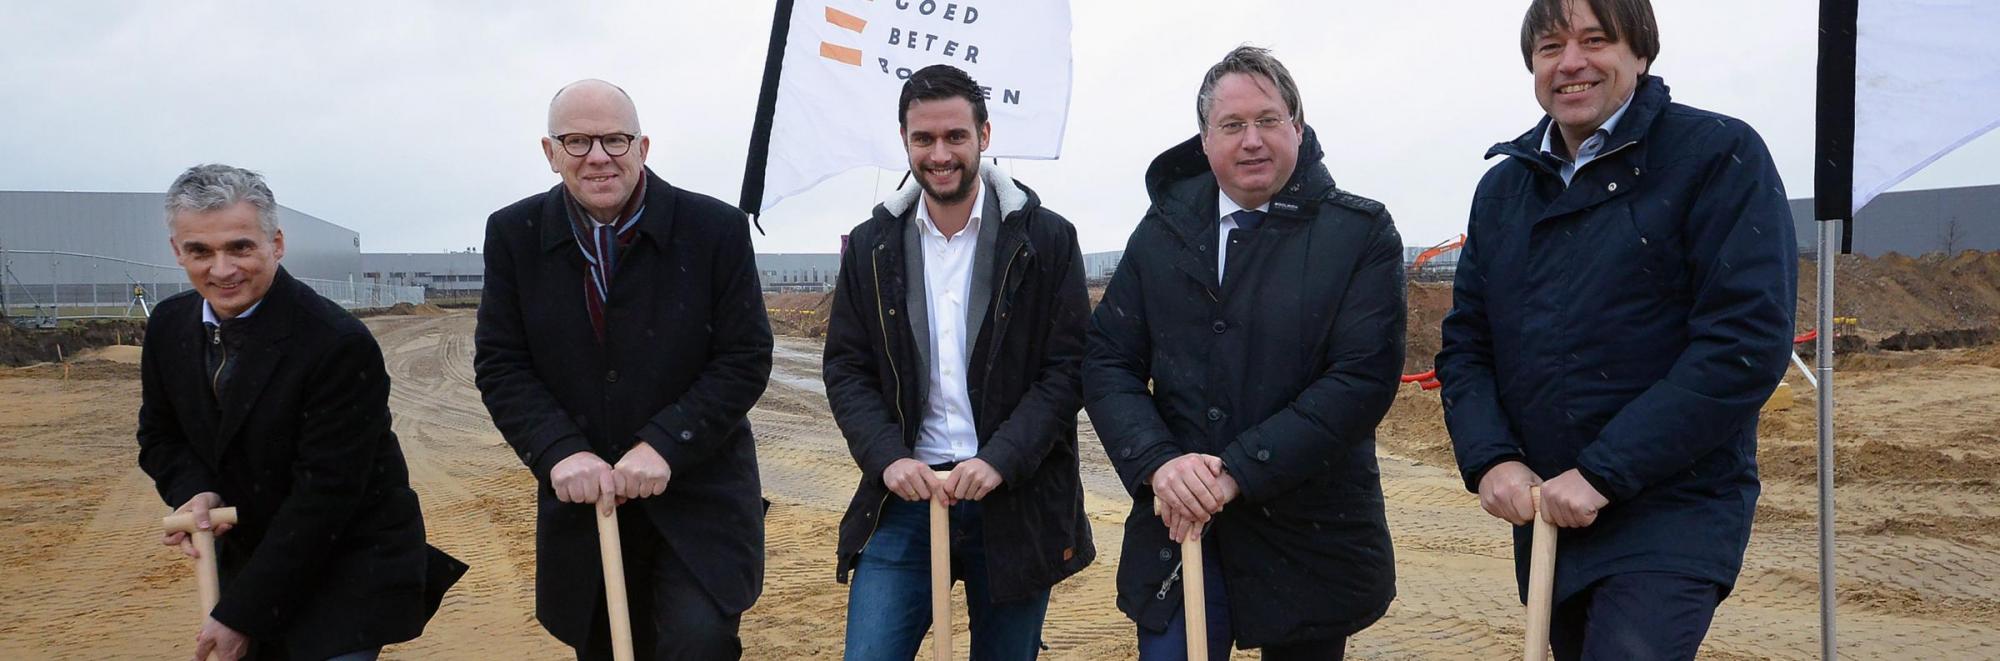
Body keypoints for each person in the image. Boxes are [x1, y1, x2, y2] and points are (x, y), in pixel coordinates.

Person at [1437, 1, 1798, 658]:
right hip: (1552, 512)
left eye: (1596, 40)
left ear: (1641, 53)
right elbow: (1467, 346)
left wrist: (1605, 471)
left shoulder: (1716, 156)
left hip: (1673, 504)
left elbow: (1743, 342)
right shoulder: (1504, 191)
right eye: (1550, 48)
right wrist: (1491, 457)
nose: (1570, 63)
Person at [1084, 46, 1405, 660]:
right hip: (1180, 524)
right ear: (1205, 141)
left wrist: (1237, 470)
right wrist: (1159, 463)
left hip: (1309, 534)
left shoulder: (1358, 235)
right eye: (1231, 125)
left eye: (1268, 120)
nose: (1251, 140)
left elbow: (1360, 380)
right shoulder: (1162, 233)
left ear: (1298, 128)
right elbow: (1108, 360)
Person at [473, 79, 773, 660]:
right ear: (550, 152)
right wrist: (559, 451)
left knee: (698, 642)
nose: (598, 157)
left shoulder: (713, 230)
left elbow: (743, 357)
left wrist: (665, 443)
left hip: (698, 502)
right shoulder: (514, 235)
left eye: (615, 139)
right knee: (606, 646)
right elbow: (502, 363)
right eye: (577, 141)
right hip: (587, 509)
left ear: (643, 146)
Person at [822, 63, 1095, 660]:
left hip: (1013, 500)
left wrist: (1001, 459)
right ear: (904, 140)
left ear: (984, 136)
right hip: (904, 501)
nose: (940, 154)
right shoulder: (871, 246)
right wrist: (888, 458)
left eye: (955, 136)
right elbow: (846, 369)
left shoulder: (1047, 239)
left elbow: (1067, 369)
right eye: (924, 138)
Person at [139, 164, 464, 661]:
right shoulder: (167, 326)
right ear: (176, 250)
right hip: (252, 560)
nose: (221, 270)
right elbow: (160, 435)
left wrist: (242, 614)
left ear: (276, 243)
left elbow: (326, 496)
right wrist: (194, 489)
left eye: (240, 247)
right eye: (200, 251)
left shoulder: (334, 343)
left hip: (344, 566)